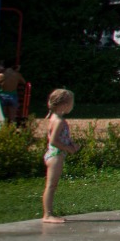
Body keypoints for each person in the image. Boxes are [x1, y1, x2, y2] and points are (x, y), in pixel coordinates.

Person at [39, 89, 78, 224]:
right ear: (64, 104)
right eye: (71, 103)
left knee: (52, 185)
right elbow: (54, 140)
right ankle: (47, 214)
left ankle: (48, 213)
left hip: (55, 154)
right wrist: (68, 148)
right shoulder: (59, 121)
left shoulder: (55, 118)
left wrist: (71, 144)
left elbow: (60, 137)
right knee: (51, 185)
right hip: (56, 156)